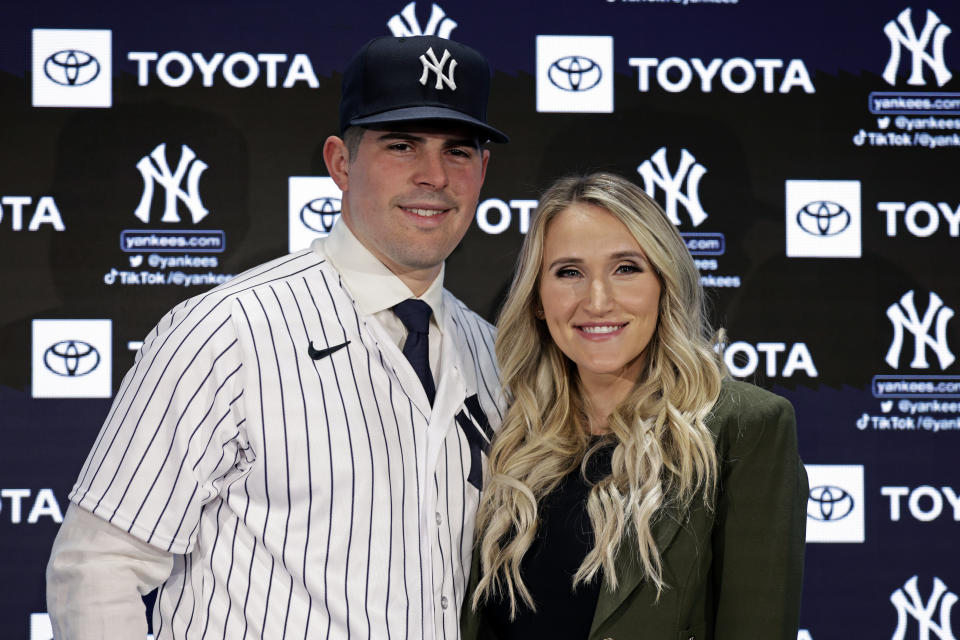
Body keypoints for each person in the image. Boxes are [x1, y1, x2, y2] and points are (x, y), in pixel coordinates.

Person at [46, 35, 508, 640]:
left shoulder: (496, 352)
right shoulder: (224, 330)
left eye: (458, 152)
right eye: (402, 146)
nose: (434, 176)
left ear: (483, 171)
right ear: (341, 162)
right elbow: (97, 568)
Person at [462, 173, 807, 640]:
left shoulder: (743, 426)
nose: (598, 301)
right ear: (538, 300)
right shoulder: (503, 424)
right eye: (569, 273)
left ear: (663, 284)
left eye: (626, 268)